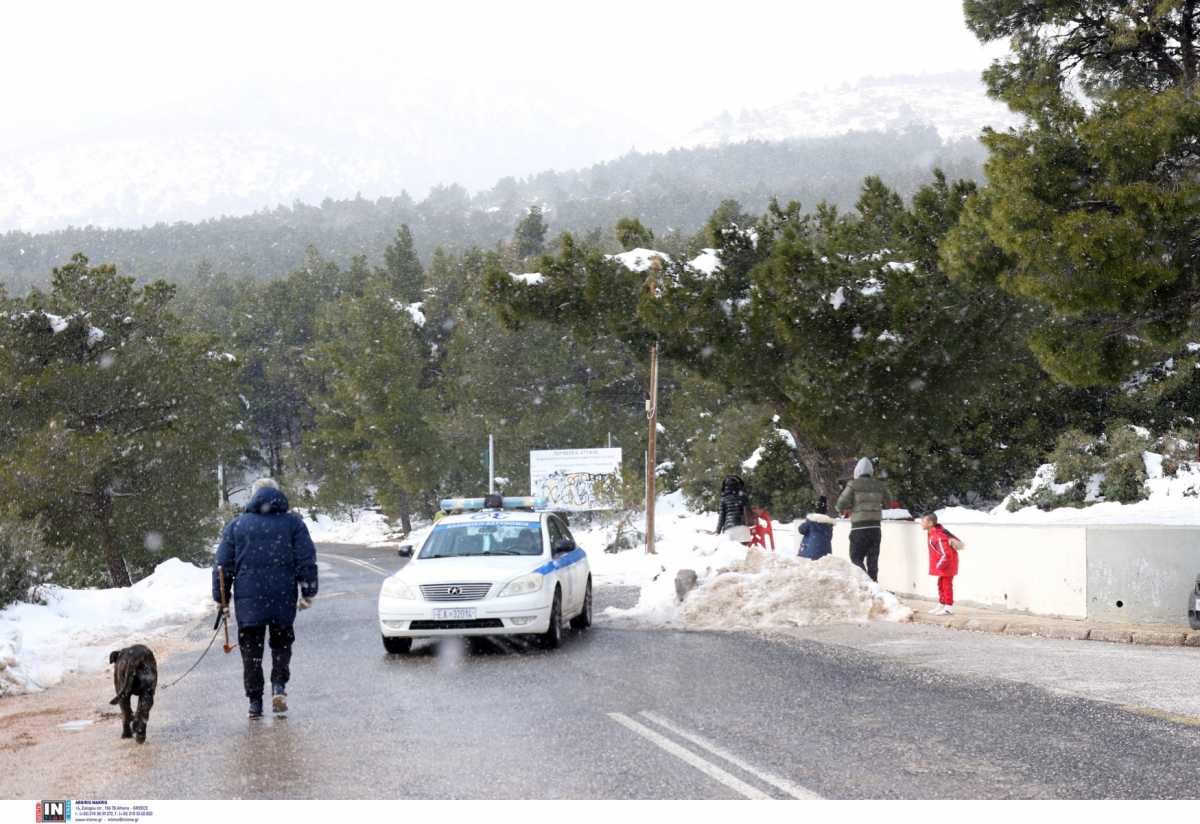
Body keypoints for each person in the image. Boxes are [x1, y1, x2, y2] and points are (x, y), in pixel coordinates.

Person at [213, 478, 318, 718]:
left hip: (249, 602)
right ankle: (279, 686)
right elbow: (306, 560)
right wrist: (308, 591)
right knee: (281, 644)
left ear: (253, 497)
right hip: (282, 597)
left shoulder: (237, 526)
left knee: (251, 651)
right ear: (277, 495)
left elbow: (222, 566)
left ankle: (254, 702)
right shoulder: (293, 524)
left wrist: (222, 599)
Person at [835, 457, 888, 581]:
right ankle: (874, 584)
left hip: (860, 528)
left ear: (857, 471)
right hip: (875, 528)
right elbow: (889, 502)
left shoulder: (853, 484)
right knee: (873, 559)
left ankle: (866, 582)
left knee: (855, 557)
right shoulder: (879, 485)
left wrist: (846, 508)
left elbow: (840, 504)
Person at [921, 513, 960, 615]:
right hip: (944, 565)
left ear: (930, 523)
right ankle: (942, 604)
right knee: (941, 584)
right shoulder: (932, 533)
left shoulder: (937, 536)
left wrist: (938, 566)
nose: (921, 523)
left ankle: (948, 607)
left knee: (946, 585)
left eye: (923, 521)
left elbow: (946, 555)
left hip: (947, 565)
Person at [715, 475, 752, 544]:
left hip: (730, 529)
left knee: (732, 553)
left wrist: (718, 531)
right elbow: (748, 511)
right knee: (744, 551)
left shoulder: (723, 499)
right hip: (743, 529)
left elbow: (722, 516)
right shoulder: (743, 496)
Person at [797, 496, 836, 560]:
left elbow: (801, 530)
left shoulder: (811, 521)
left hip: (809, 553)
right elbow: (829, 537)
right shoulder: (829, 524)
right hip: (825, 554)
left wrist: (807, 521)